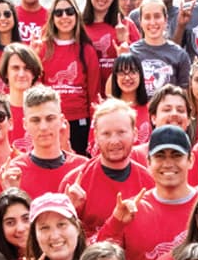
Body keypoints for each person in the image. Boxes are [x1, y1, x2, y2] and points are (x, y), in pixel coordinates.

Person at [95, 124, 197, 260]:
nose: (168, 163)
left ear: (190, 160)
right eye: (160, 156)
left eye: (177, 155)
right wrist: (115, 223)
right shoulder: (131, 209)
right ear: (148, 162)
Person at [64, 100, 155, 234]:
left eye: (121, 132)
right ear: (95, 136)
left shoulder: (148, 182)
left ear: (135, 134)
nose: (114, 141)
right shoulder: (74, 184)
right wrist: (71, 211)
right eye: (106, 134)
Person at [39, 0, 102, 155]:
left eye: (69, 12)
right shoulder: (44, 48)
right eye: (58, 13)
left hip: (79, 121)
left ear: (76, 15)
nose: (64, 17)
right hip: (51, 121)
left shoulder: (86, 49)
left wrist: (94, 127)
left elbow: (94, 92)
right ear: (52, 18)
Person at [4, 87, 91, 200]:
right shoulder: (13, 173)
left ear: (61, 121)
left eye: (50, 119)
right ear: (25, 124)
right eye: (35, 120)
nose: (43, 127)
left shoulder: (83, 167)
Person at [129, 0, 191, 95]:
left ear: (165, 20)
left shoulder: (179, 54)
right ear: (140, 21)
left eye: (157, 16)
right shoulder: (131, 52)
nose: (153, 22)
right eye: (147, 17)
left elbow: (186, 93)